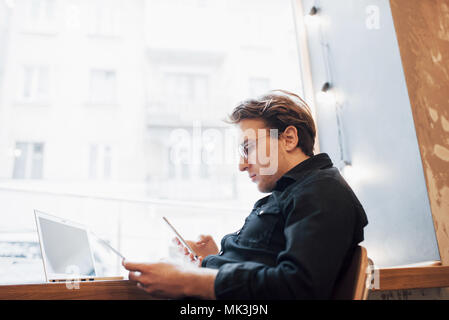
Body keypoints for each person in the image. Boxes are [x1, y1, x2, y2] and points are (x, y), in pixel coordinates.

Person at [123, 90, 368, 299]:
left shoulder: (322, 191)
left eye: (248, 148)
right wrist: (213, 259)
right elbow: (267, 264)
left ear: (289, 138)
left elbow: (297, 288)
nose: (242, 165)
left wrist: (189, 279)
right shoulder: (291, 192)